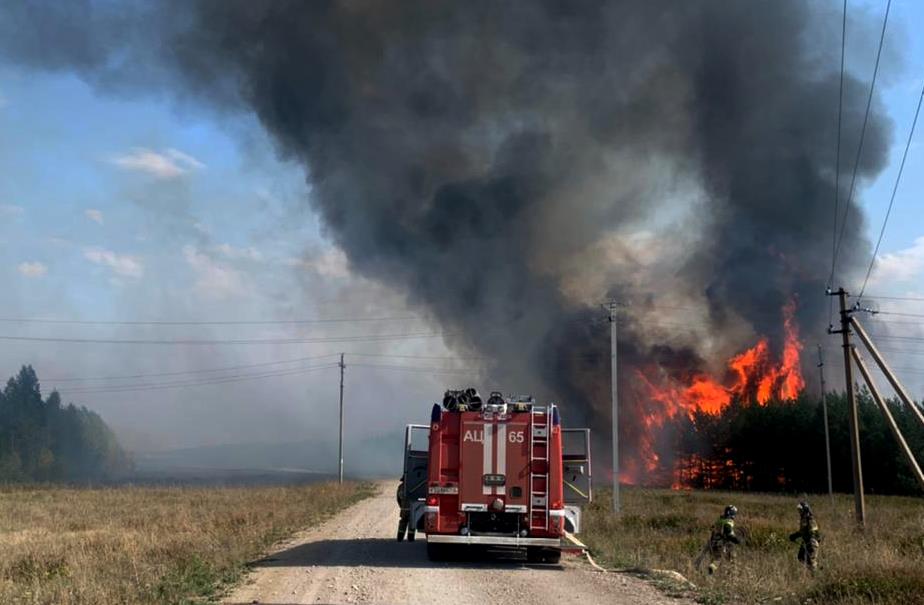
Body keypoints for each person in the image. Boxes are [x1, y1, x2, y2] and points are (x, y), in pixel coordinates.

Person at [704, 504, 741, 575]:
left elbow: (712, 528)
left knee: (716, 559)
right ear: (732, 513)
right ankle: (732, 573)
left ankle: (710, 572)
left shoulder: (719, 520)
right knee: (731, 559)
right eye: (734, 513)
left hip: (713, 542)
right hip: (723, 544)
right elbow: (728, 534)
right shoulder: (728, 522)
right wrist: (737, 540)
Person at [789, 501, 820, 572]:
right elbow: (802, 531)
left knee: (811, 560)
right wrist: (795, 536)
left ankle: (815, 574)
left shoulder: (810, 519)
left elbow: (813, 531)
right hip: (806, 541)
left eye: (800, 510)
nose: (799, 512)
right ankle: (812, 571)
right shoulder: (803, 519)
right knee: (801, 557)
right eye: (799, 510)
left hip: (812, 541)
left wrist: (810, 539)